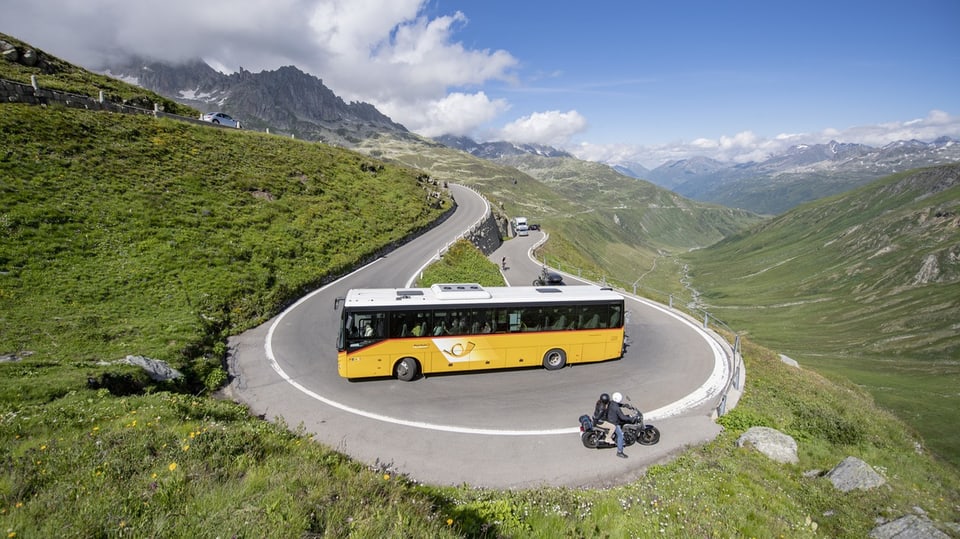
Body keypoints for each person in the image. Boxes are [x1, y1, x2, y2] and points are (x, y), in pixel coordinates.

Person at [606, 392, 632, 458]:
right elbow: (622, 417)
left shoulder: (611, 402)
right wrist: (631, 418)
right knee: (620, 435)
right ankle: (619, 452)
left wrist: (624, 405)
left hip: (610, 418)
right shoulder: (616, 408)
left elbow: (617, 404)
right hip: (613, 422)